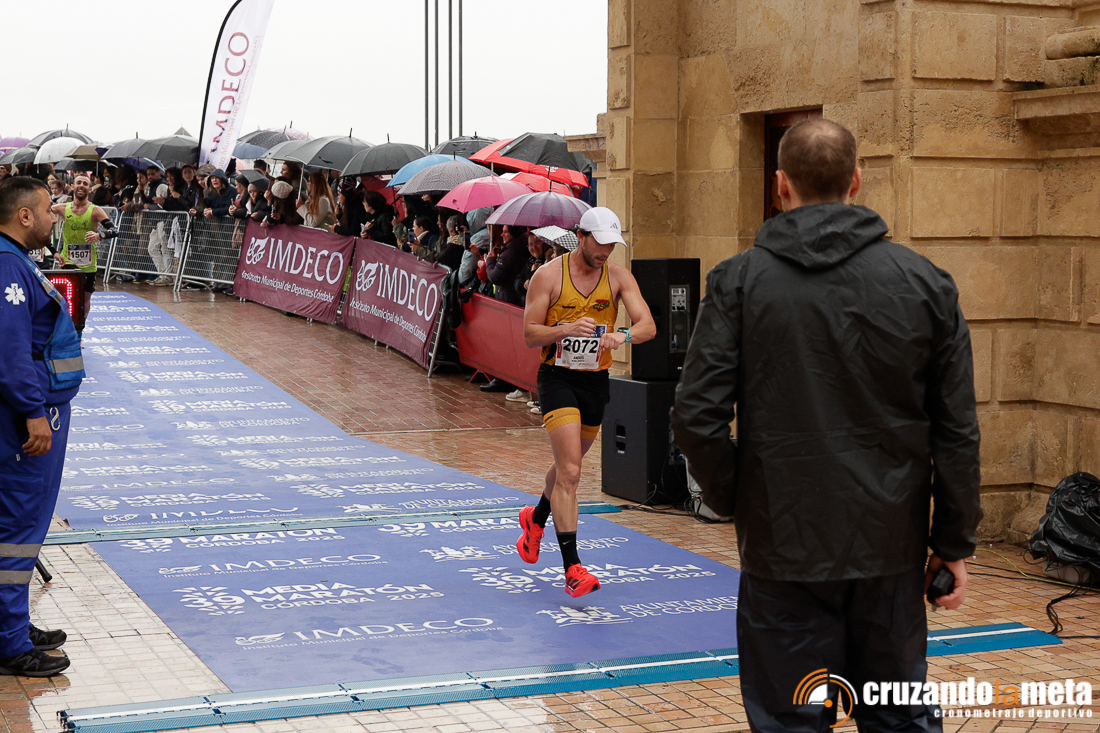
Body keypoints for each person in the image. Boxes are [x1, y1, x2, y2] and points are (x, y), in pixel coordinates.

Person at [669, 119, 982, 733]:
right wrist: (952, 542)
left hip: (783, 539)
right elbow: (956, 428)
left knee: (791, 719)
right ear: (856, 181)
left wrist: (740, 498)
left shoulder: (739, 282)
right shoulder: (923, 283)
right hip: (886, 543)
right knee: (897, 717)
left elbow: (696, 415)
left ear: (780, 185)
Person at [517, 207, 656, 597]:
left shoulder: (618, 276)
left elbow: (648, 325)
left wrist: (622, 336)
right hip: (557, 378)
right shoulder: (548, 276)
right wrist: (564, 329)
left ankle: (535, 519)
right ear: (581, 236)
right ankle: (572, 568)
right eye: (600, 243)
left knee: (568, 465)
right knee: (572, 472)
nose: (606, 252)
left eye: (612, 245)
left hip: (595, 381)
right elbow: (529, 334)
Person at [0, 176, 84, 676]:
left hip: (30, 414)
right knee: (18, 530)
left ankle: (9, 623)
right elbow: (10, 352)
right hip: (23, 423)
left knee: (16, 526)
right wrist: (33, 411)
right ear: (24, 215)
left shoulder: (17, 259)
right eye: (50, 209)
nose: (57, 216)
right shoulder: (8, 266)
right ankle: (9, 643)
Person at [51, 174, 119, 316]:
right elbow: (42, 210)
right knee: (65, 295)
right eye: (79, 182)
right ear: (73, 186)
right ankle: (67, 323)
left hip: (88, 263)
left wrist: (99, 235)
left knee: (86, 297)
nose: (81, 185)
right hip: (68, 260)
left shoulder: (95, 210)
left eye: (85, 183)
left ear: (90, 189)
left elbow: (114, 230)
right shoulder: (63, 208)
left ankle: (81, 325)